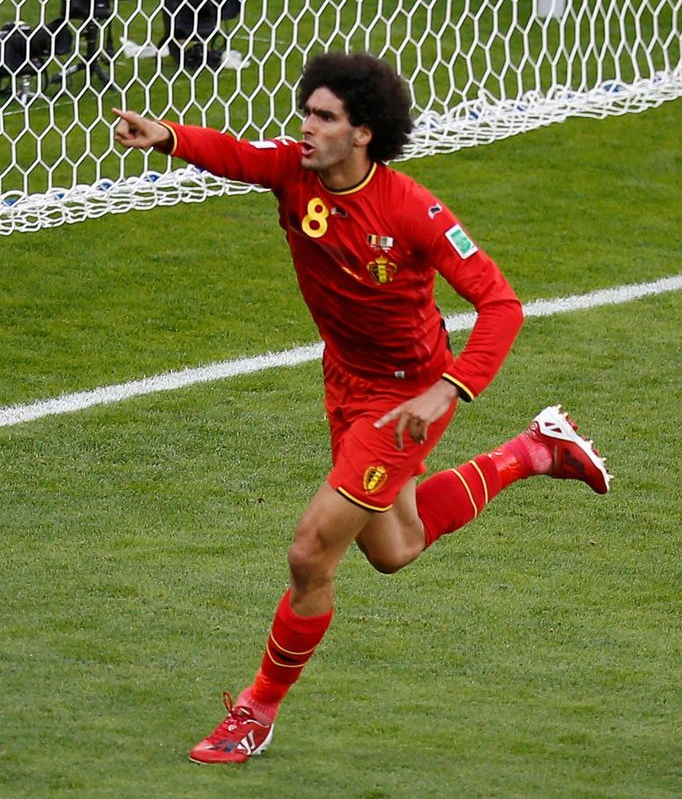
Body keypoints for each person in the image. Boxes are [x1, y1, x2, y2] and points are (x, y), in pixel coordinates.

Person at [113, 52, 611, 765]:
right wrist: (165, 135)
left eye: (324, 117)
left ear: (363, 132)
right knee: (394, 547)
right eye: (306, 113)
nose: (305, 128)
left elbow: (501, 305)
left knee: (311, 549)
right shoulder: (293, 170)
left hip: (407, 397)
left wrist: (448, 389)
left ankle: (256, 711)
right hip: (345, 378)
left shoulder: (413, 209)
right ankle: (535, 450)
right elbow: (234, 153)